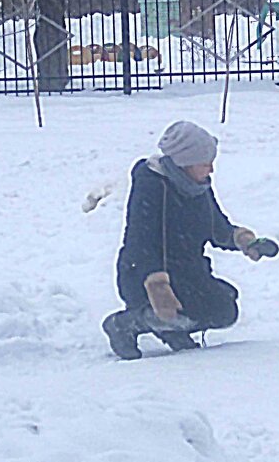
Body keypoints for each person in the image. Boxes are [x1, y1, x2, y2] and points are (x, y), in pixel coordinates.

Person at [102, 120, 266, 360]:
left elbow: (217, 227)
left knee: (224, 308)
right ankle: (125, 324)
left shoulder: (197, 186)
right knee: (181, 310)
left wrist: (245, 241)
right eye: (205, 163)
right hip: (144, 275)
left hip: (188, 273)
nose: (211, 170)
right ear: (184, 163)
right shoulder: (151, 186)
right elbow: (140, 241)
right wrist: (157, 286)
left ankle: (169, 328)